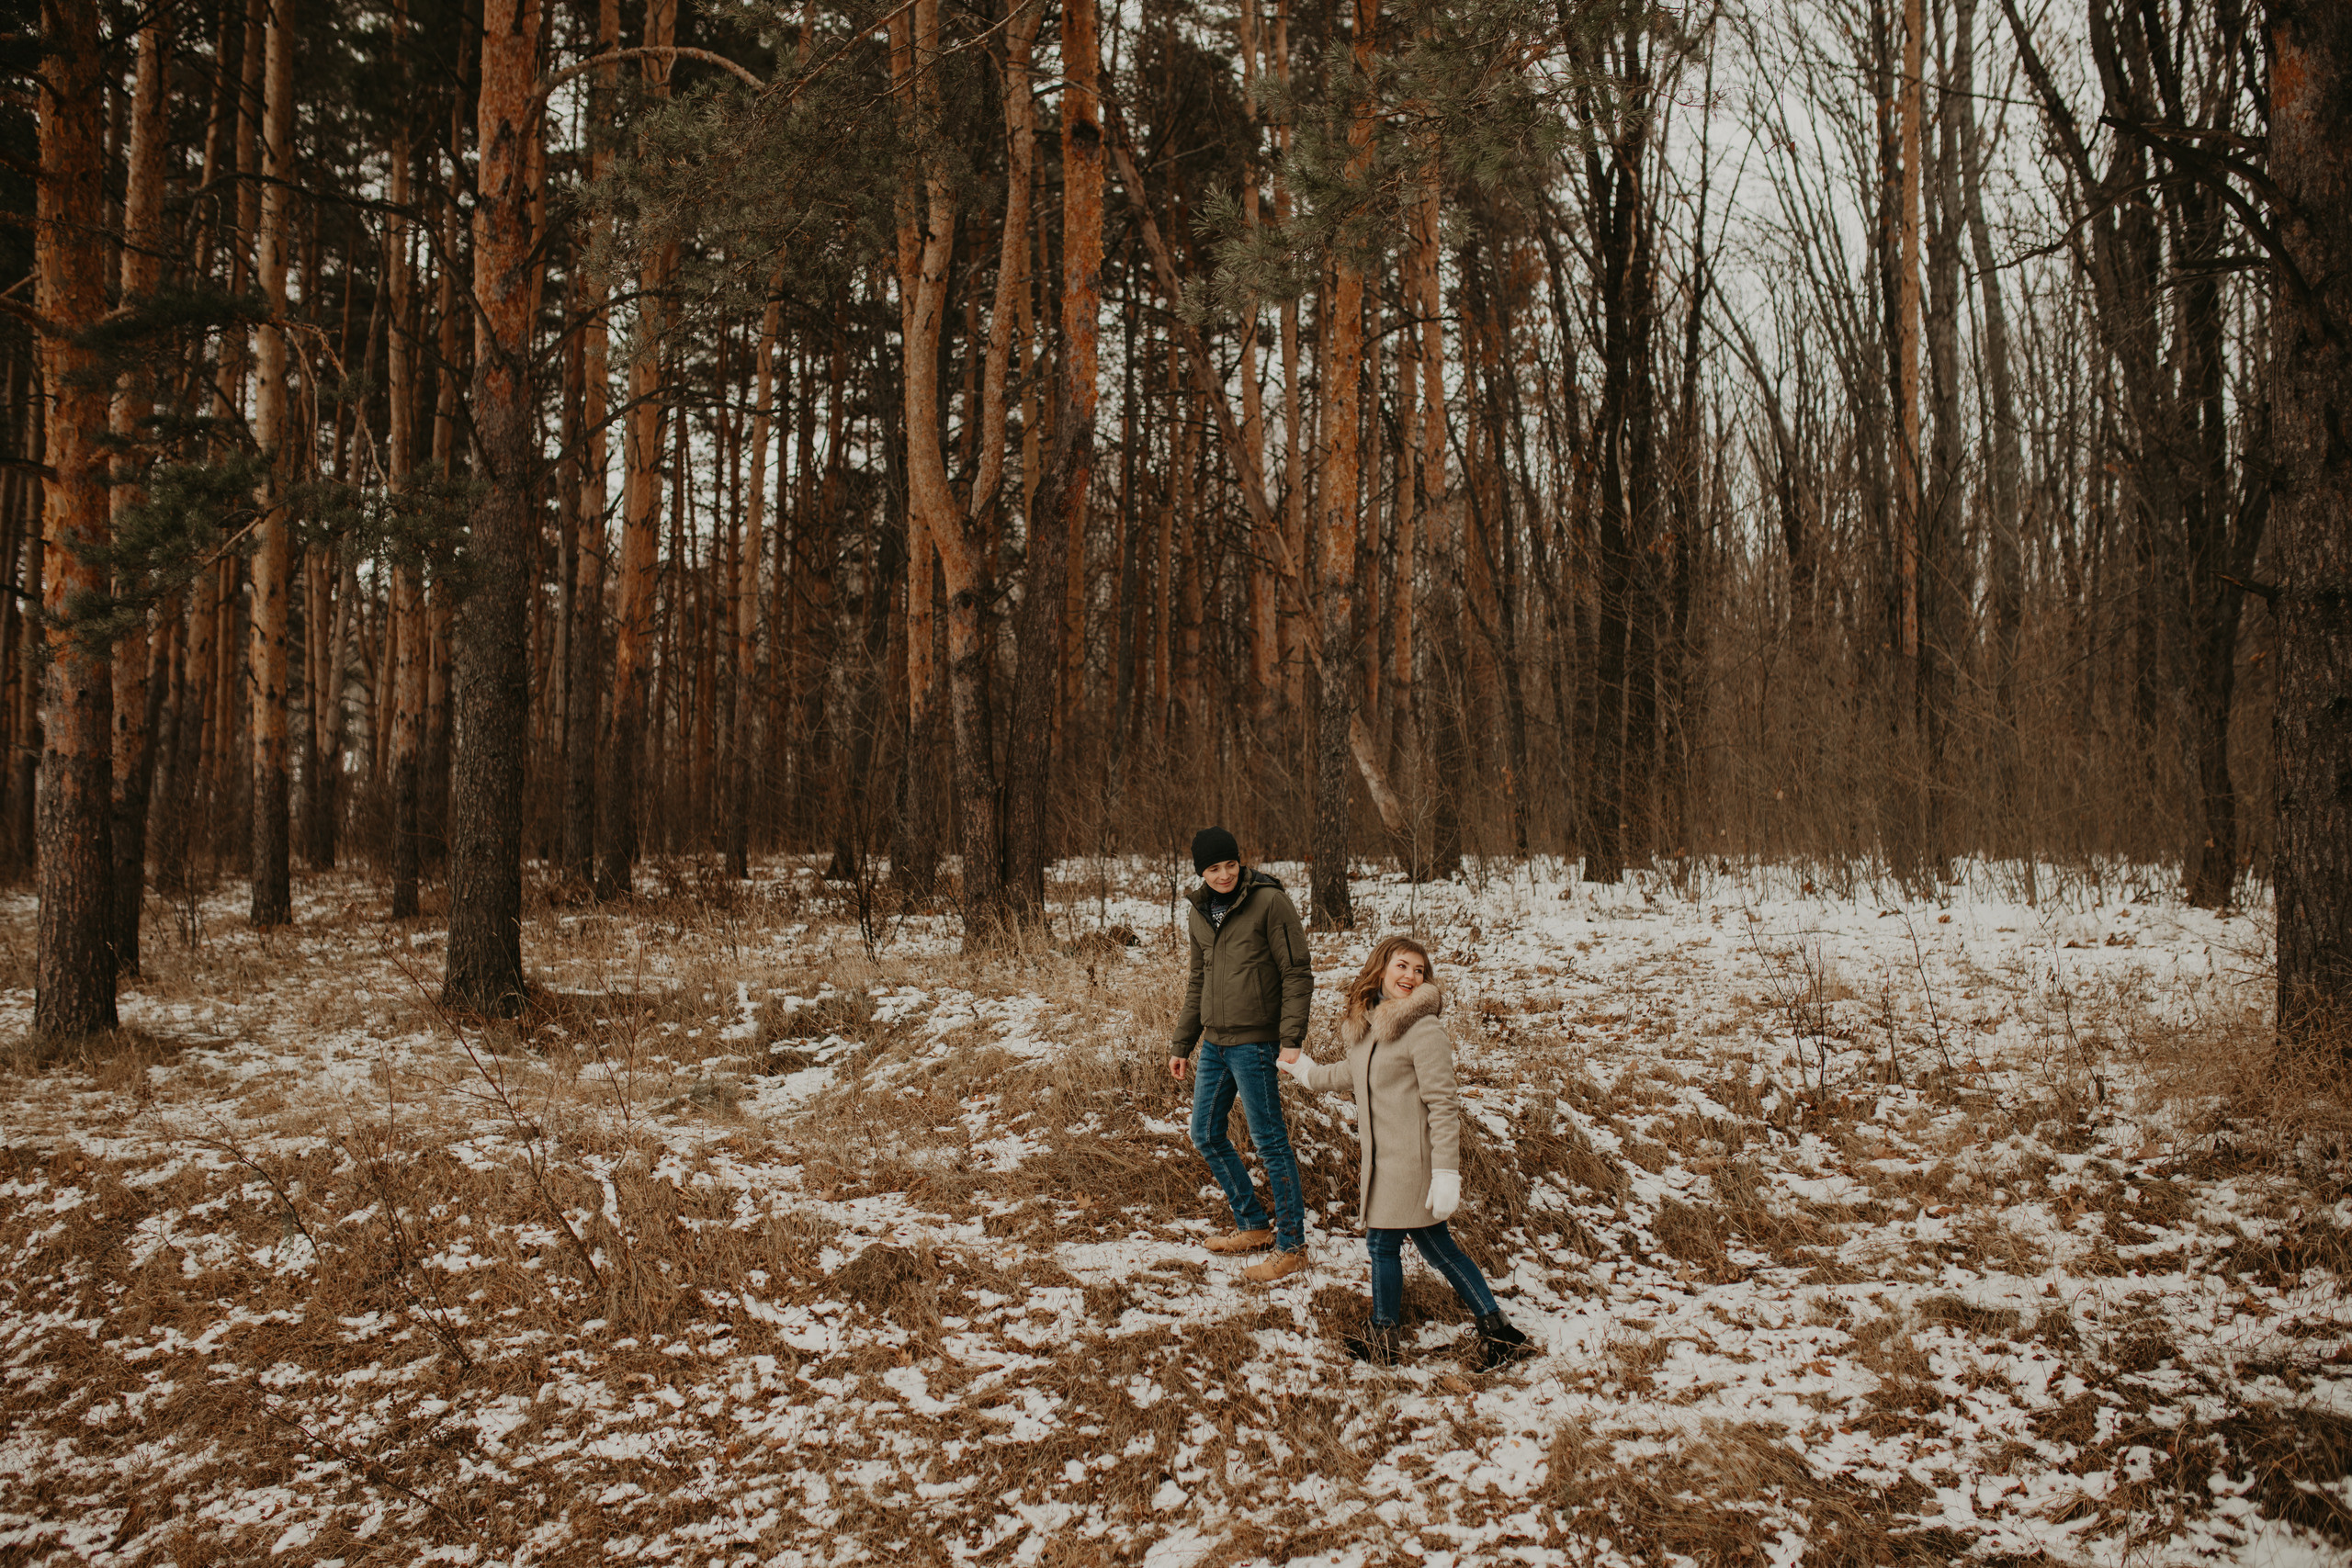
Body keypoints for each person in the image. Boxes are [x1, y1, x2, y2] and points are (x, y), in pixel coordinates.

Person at [1279, 935, 1537, 1371]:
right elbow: (1352, 1072)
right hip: (1383, 1164)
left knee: (1383, 1244)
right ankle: (1498, 1332)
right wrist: (1305, 1072)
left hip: (1413, 1164)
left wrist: (1446, 1173)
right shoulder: (1372, 1025)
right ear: (1381, 969)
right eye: (1402, 966)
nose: (1411, 976)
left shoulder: (1424, 1029)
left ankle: (1385, 1336)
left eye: (1419, 970)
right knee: (1438, 1250)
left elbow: (1443, 1103)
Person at [1169, 827, 1314, 1283]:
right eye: (1214, 868)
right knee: (1205, 1133)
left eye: (1230, 863)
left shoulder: (1269, 902)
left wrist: (1291, 1039)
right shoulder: (1197, 913)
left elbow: (1296, 972)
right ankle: (1253, 1226)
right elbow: (1198, 982)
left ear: (1240, 861)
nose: (1225, 874)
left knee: (1269, 1141)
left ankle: (1292, 1245)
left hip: (1255, 1042)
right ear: (1201, 872)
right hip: (1214, 1043)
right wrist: (1182, 1043)